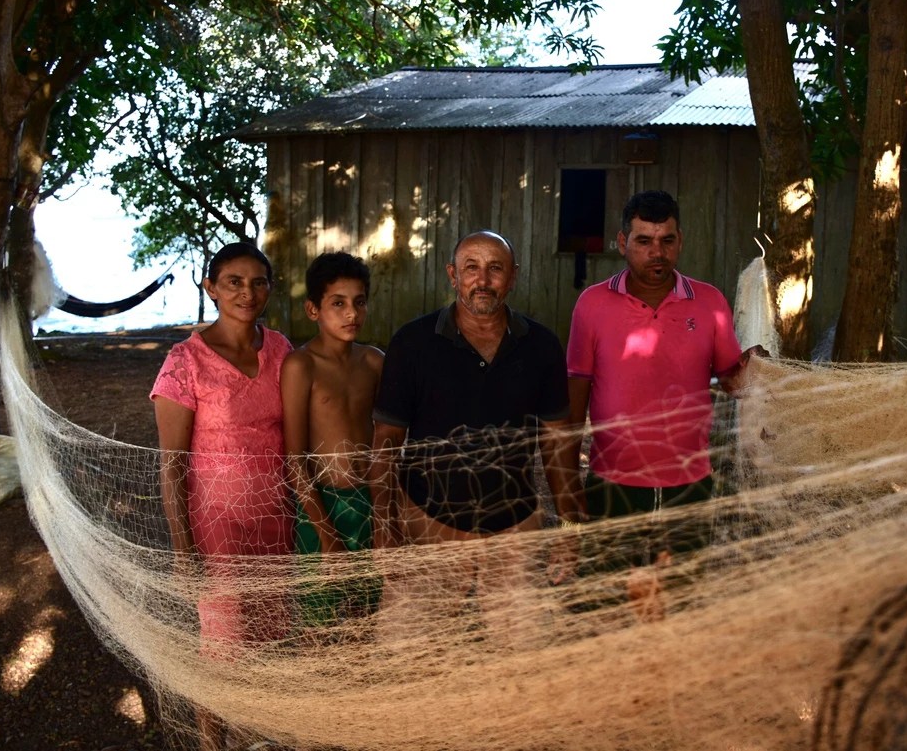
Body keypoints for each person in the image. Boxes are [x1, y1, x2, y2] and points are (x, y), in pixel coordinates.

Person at [368, 230, 583, 647]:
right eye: (471, 267)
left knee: (527, 656)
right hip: (429, 528)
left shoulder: (540, 346)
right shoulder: (412, 343)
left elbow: (559, 446)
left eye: (495, 268)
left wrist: (572, 530)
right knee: (405, 658)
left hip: (514, 531)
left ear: (513, 276)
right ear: (453, 275)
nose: (482, 279)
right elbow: (386, 442)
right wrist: (384, 524)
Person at [565, 189, 752, 620]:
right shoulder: (592, 304)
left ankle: (667, 683)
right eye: (644, 241)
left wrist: (753, 368)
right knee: (609, 601)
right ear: (621, 243)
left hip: (689, 480)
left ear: (680, 241)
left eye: (666, 240)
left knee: (678, 601)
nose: (657, 252)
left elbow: (731, 379)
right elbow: (577, 389)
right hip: (612, 481)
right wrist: (568, 475)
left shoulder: (709, 303)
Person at [150, 242, 295, 751]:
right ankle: (214, 741)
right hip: (217, 523)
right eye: (233, 281)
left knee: (268, 635)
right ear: (210, 288)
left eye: (258, 282)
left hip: (275, 517)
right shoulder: (185, 362)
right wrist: (182, 547)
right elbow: (172, 467)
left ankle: (251, 735)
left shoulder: (280, 350)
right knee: (223, 642)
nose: (246, 292)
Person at [281, 251, 384, 625]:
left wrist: (388, 512)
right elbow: (295, 458)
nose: (351, 314)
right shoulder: (301, 365)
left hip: (369, 503)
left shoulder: (373, 362)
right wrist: (325, 535)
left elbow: (388, 443)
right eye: (337, 304)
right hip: (320, 506)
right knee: (319, 619)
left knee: (365, 616)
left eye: (359, 303)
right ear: (313, 310)